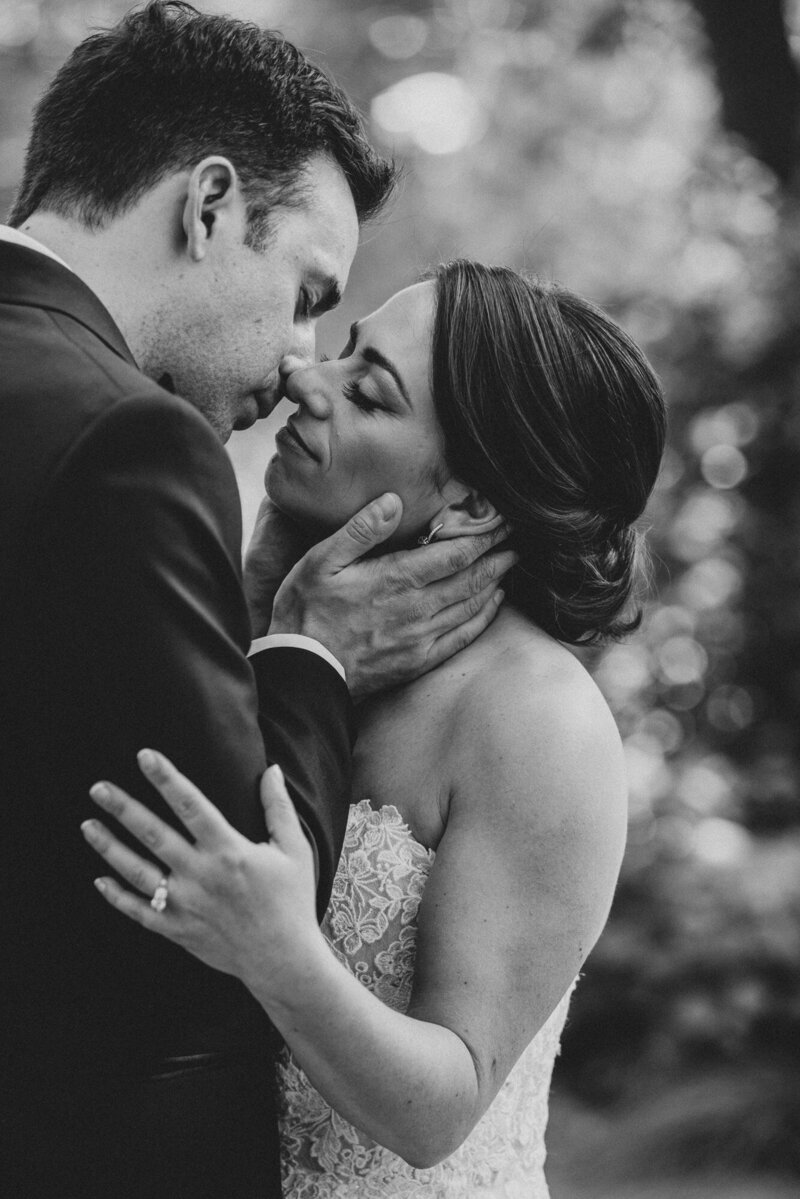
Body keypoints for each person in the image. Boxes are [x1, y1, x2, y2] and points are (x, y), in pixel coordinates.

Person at [0, 5, 513, 1196]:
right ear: (209, 204)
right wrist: (309, 646)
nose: (297, 360)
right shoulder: (128, 437)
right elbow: (218, 912)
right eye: (304, 292)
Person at [83, 260, 667, 1197]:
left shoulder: (537, 720)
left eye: (368, 391)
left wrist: (282, 957)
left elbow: (442, 1106)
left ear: (475, 502)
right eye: (345, 348)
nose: (303, 379)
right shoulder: (292, 631)